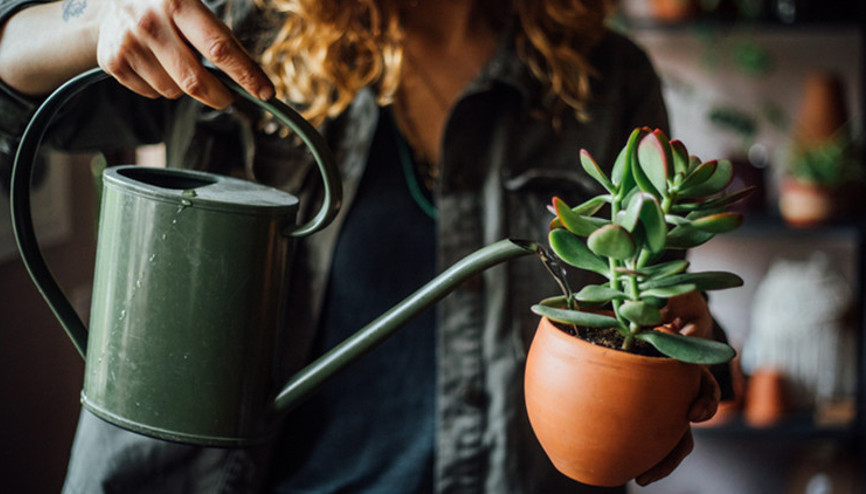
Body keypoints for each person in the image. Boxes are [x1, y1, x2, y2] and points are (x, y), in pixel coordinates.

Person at [0, 0, 730, 492]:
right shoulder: (239, 31)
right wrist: (100, 15)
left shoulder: (607, 81)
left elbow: (661, 296)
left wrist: (675, 349)